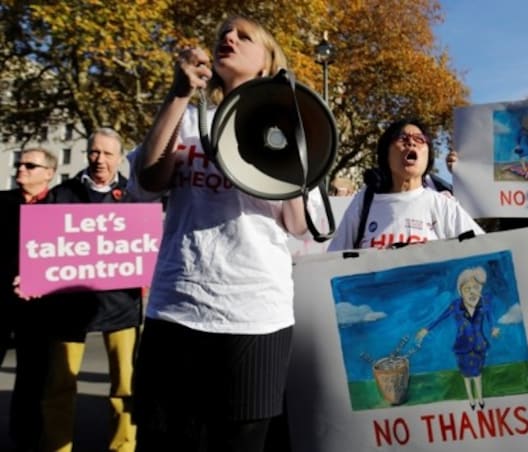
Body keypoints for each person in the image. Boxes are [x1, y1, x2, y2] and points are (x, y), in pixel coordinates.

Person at [128, 16, 309, 451]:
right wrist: (178, 94)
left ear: (267, 65)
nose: (228, 38)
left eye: (243, 36)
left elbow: (300, 225)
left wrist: (287, 153)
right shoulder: (188, 121)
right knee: (164, 439)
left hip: (256, 315)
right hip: (178, 308)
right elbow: (146, 182)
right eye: (223, 35)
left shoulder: (292, 130)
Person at [38, 128, 142, 452]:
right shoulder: (61, 194)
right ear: (86, 154)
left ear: (120, 158)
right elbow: (39, 247)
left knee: (125, 387)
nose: (100, 160)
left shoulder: (135, 197)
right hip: (68, 309)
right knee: (59, 386)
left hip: (121, 306)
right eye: (95, 152)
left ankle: (122, 448)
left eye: (108, 154)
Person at [327, 119, 485, 251]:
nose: (411, 143)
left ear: (428, 155)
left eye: (419, 139)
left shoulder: (443, 205)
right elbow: (334, 259)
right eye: (402, 138)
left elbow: (484, 250)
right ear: (385, 153)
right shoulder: (364, 202)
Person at [0, 148, 57, 451]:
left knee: (32, 380)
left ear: (49, 172)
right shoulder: (2, 202)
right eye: (20, 164)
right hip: (0, 303)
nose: (21, 169)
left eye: (30, 165)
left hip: (39, 310)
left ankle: (25, 438)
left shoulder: (61, 206)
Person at [416, 267, 498, 410]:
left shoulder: (485, 302)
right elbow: (440, 317)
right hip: (462, 346)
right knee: (466, 374)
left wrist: (493, 328)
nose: (472, 292)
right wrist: (426, 328)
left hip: (479, 344)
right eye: (467, 289)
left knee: (477, 373)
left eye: (476, 287)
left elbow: (490, 317)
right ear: (460, 291)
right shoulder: (455, 305)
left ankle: (480, 398)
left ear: (481, 288)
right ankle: (471, 400)